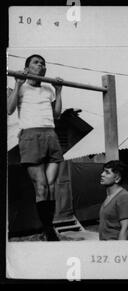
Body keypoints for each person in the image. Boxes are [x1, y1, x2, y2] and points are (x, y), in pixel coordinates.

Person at [7, 54, 64, 241]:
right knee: (41, 186)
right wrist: (17, 83)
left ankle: (48, 227)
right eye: (36, 63)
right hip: (30, 135)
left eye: (43, 63)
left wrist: (59, 90)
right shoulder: (21, 87)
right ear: (27, 67)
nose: (41, 65)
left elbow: (57, 115)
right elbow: (9, 110)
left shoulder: (48, 89)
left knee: (51, 186)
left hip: (50, 134)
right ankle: (49, 230)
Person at [99, 160, 128, 241]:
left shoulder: (123, 197)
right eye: (103, 171)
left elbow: (126, 229)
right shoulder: (109, 196)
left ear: (117, 178)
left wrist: (120, 251)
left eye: (107, 172)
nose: (102, 174)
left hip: (116, 249)